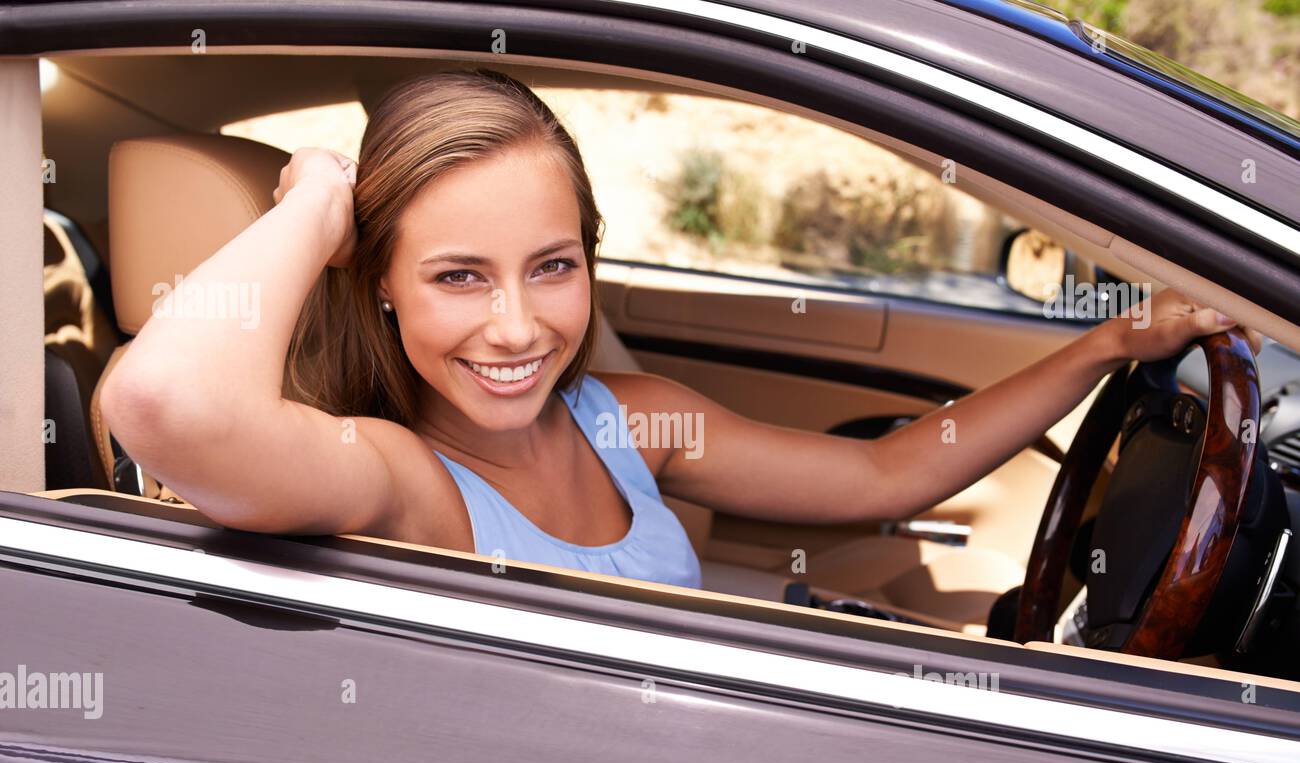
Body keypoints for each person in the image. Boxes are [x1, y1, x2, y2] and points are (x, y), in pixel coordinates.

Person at [100, 70, 1262, 592]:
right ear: (382, 285)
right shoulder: (401, 480)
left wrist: (1108, 345)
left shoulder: (624, 419)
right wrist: (313, 204)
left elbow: (886, 469)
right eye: (459, 276)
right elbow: (165, 408)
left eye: (552, 267)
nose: (517, 326)